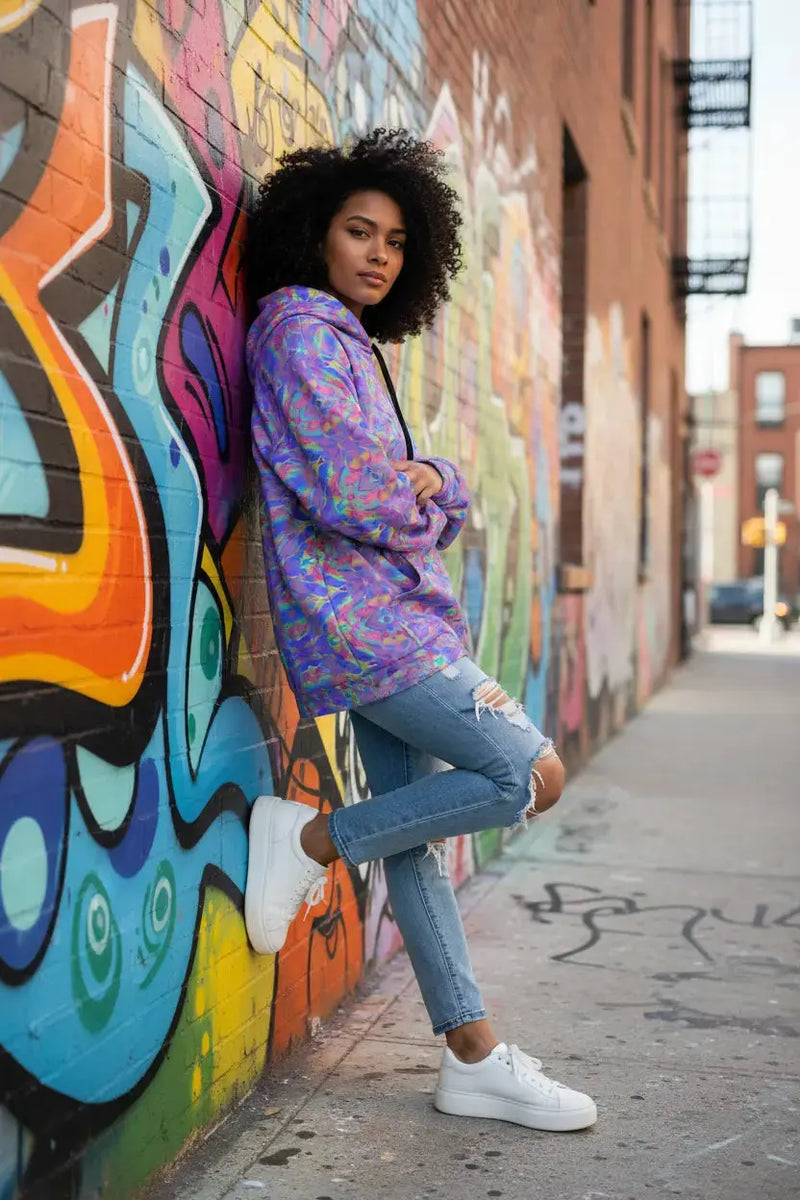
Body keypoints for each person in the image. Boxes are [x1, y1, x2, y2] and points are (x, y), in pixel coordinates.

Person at [243, 129, 596, 1133]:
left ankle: (470, 1056)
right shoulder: (301, 332)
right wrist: (430, 492)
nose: (377, 254)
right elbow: (357, 494)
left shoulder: (343, 340)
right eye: (358, 231)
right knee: (525, 774)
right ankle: (309, 835)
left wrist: (430, 479)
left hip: (384, 623)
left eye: (395, 240)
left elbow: (400, 491)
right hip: (371, 630)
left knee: (416, 850)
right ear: (314, 234)